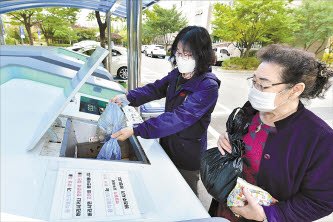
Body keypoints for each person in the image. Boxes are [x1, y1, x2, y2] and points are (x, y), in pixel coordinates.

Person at [211, 44, 333, 222]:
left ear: (295, 90)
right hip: (224, 211)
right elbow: (237, 144)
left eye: (264, 86)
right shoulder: (250, 111)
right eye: (254, 82)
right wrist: (227, 138)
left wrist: (267, 215)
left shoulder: (319, 139)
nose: (255, 91)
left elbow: (321, 201)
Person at [111, 26, 220, 195]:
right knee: (167, 189)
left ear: (201, 54)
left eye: (187, 54)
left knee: (186, 194)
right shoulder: (177, 74)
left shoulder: (207, 86)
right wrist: (129, 98)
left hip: (187, 154)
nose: (181, 58)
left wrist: (136, 129)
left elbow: (179, 117)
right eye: (178, 52)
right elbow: (155, 89)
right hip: (168, 143)